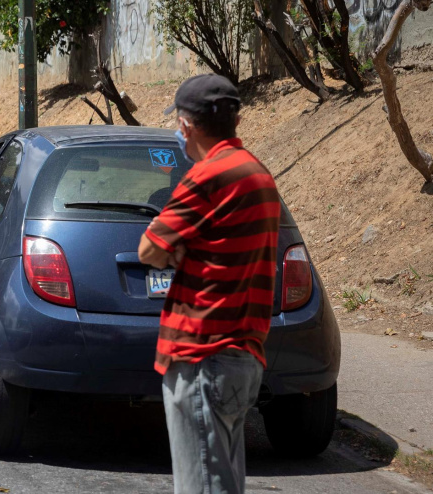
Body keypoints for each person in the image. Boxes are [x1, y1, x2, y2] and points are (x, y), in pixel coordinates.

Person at [137, 74, 281, 494]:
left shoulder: (208, 176)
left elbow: (150, 249)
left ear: (187, 125)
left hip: (202, 353)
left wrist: (176, 251)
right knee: (223, 482)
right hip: (242, 355)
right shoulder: (257, 173)